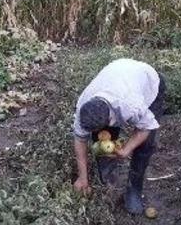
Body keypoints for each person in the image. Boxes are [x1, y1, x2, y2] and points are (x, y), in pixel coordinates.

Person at [71, 58, 165, 215]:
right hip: (118, 72)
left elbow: (146, 128)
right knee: (102, 139)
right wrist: (82, 178)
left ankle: (134, 190)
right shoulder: (84, 105)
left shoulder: (131, 105)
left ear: (110, 119)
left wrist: (127, 149)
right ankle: (108, 178)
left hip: (148, 81)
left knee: (145, 144)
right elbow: (80, 140)